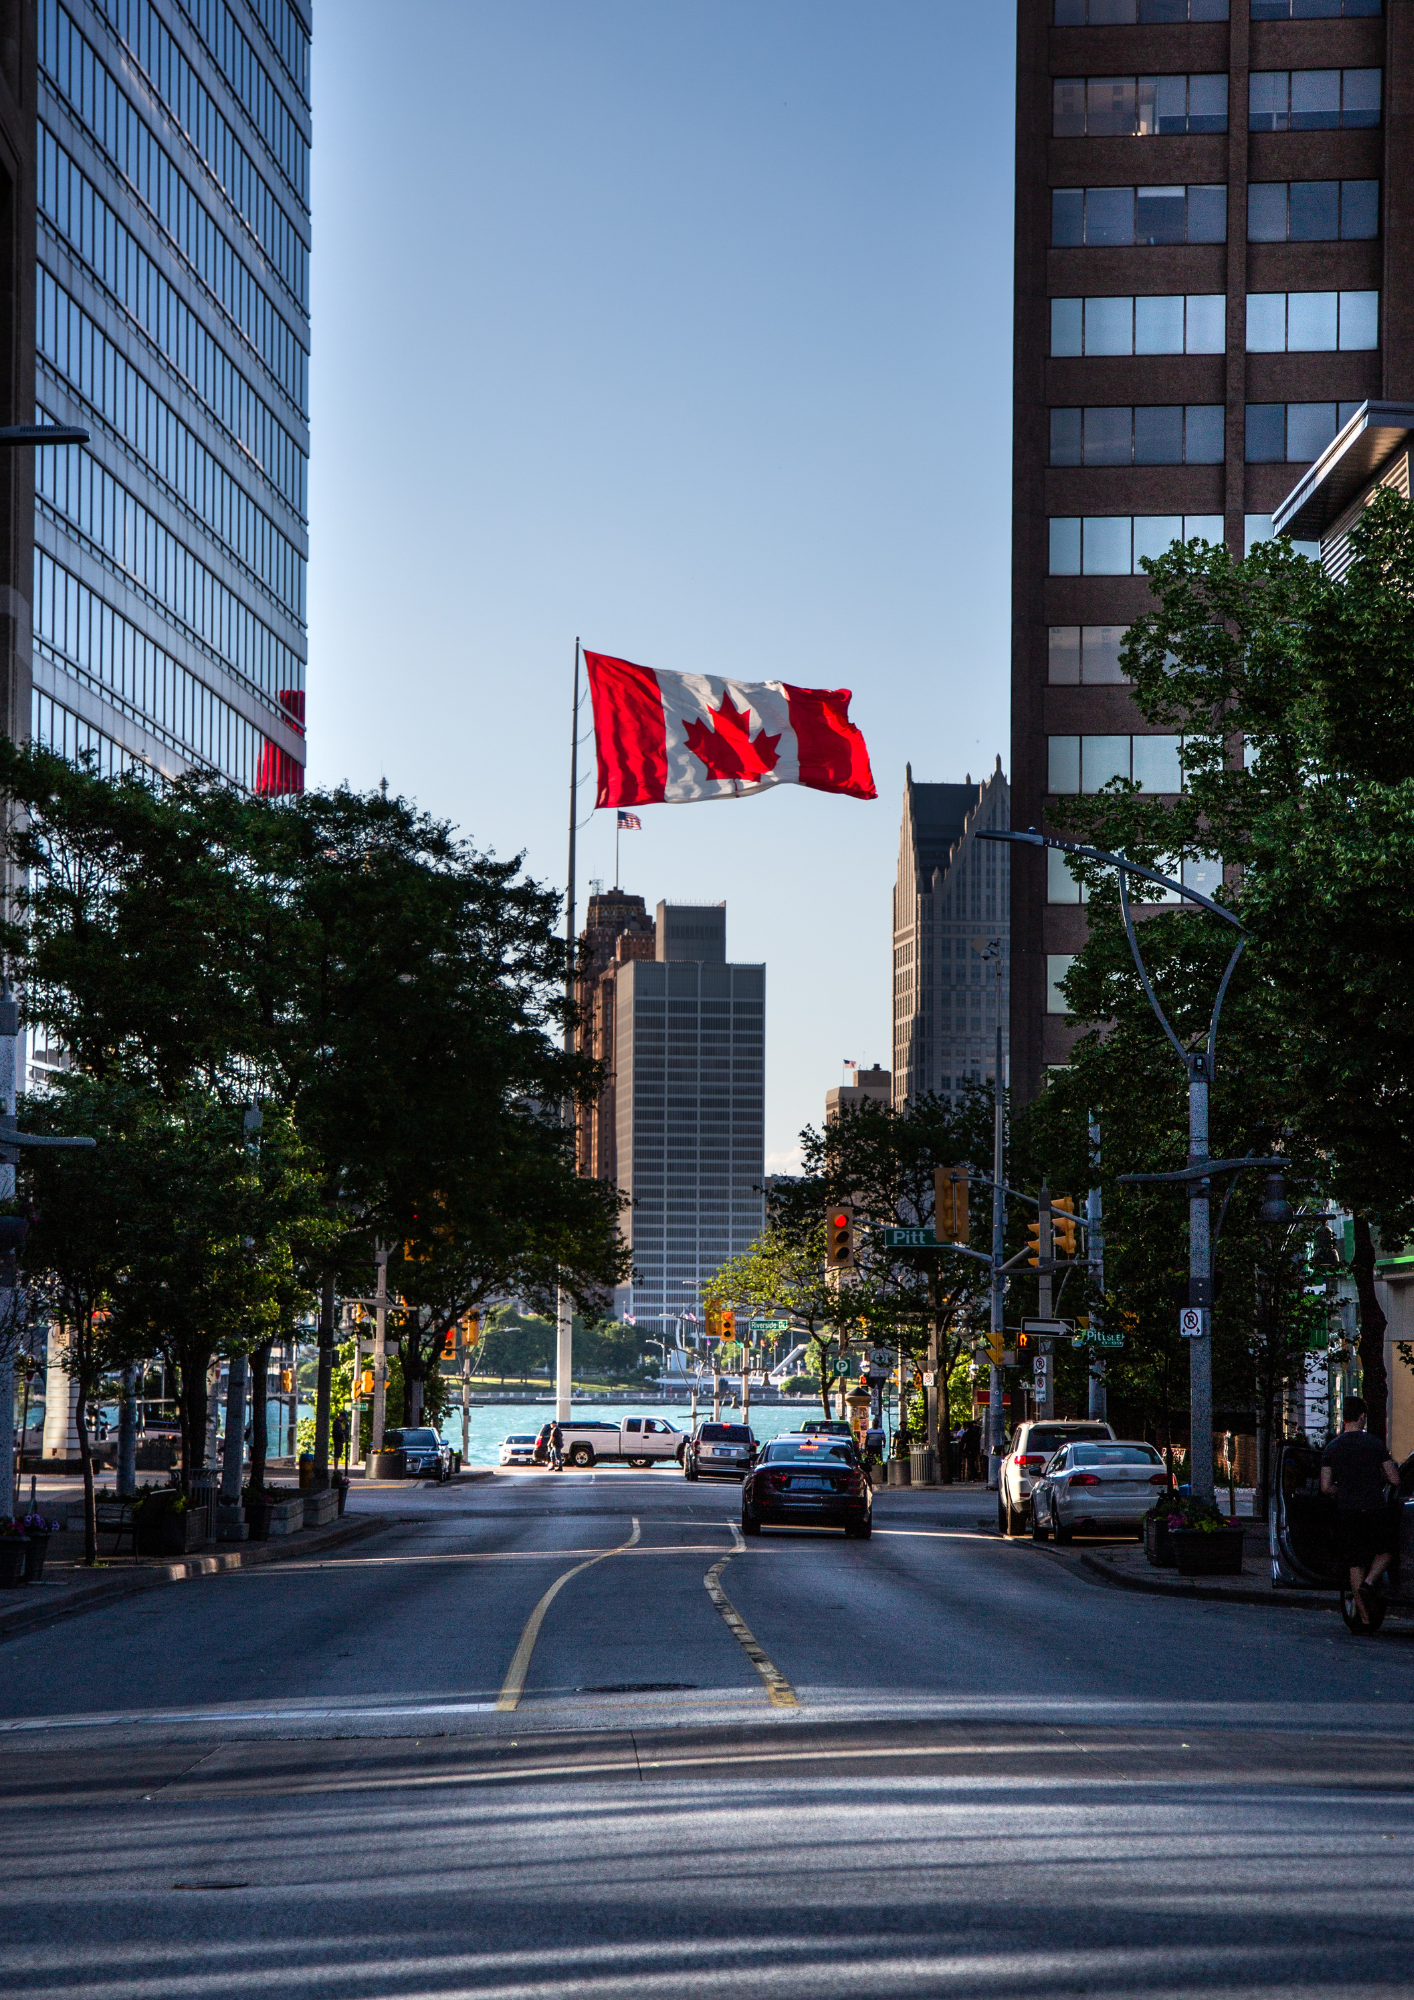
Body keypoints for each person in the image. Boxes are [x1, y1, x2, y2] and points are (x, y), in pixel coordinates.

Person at [1320, 1395, 1400, 1622]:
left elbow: (1325, 1486)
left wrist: (1344, 1490)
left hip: (1347, 1512)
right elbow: (1394, 1479)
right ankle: (1370, 1582)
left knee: (1355, 1562)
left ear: (1344, 1418)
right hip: (1374, 1509)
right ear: (1362, 1417)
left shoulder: (1332, 1448)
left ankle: (1365, 1619)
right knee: (1386, 1551)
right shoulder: (1374, 1444)